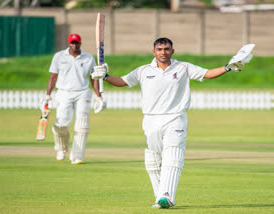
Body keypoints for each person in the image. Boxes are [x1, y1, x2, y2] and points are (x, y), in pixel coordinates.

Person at [91, 37, 252, 208]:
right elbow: (123, 81)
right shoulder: (143, 71)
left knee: (172, 156)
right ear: (154, 52)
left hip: (175, 118)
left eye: (166, 49)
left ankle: (167, 197)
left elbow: (207, 73)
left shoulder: (183, 67)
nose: (163, 52)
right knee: (153, 160)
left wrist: (227, 67)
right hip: (151, 119)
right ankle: (159, 197)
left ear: (172, 51)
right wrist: (106, 76)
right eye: (159, 49)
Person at [40, 33, 107, 164]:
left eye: (77, 43)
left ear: (80, 44)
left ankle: (77, 156)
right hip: (64, 92)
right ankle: (60, 148)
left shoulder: (88, 58)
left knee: (82, 126)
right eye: (72, 43)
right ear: (68, 43)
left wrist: (99, 97)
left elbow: (93, 79)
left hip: (82, 92)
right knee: (61, 124)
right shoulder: (59, 56)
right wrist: (47, 95)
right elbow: (53, 77)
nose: (75, 45)